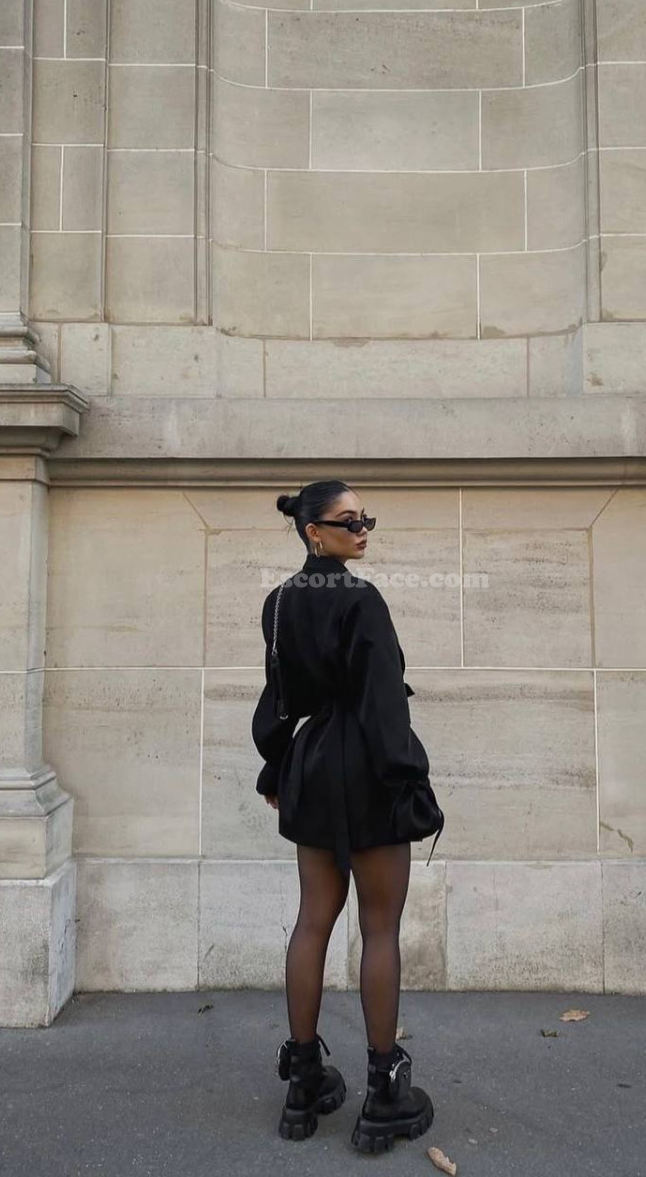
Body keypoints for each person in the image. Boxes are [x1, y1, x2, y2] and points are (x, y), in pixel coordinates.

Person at [251, 479, 442, 1152]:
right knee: (379, 926)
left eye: (366, 520)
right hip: (364, 768)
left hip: (311, 764)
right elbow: (383, 701)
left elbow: (278, 698)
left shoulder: (279, 602)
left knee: (313, 920)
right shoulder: (361, 599)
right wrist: (407, 778)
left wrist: (278, 767)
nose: (362, 531)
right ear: (313, 531)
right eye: (348, 521)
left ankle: (303, 1083)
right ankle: (384, 1095)